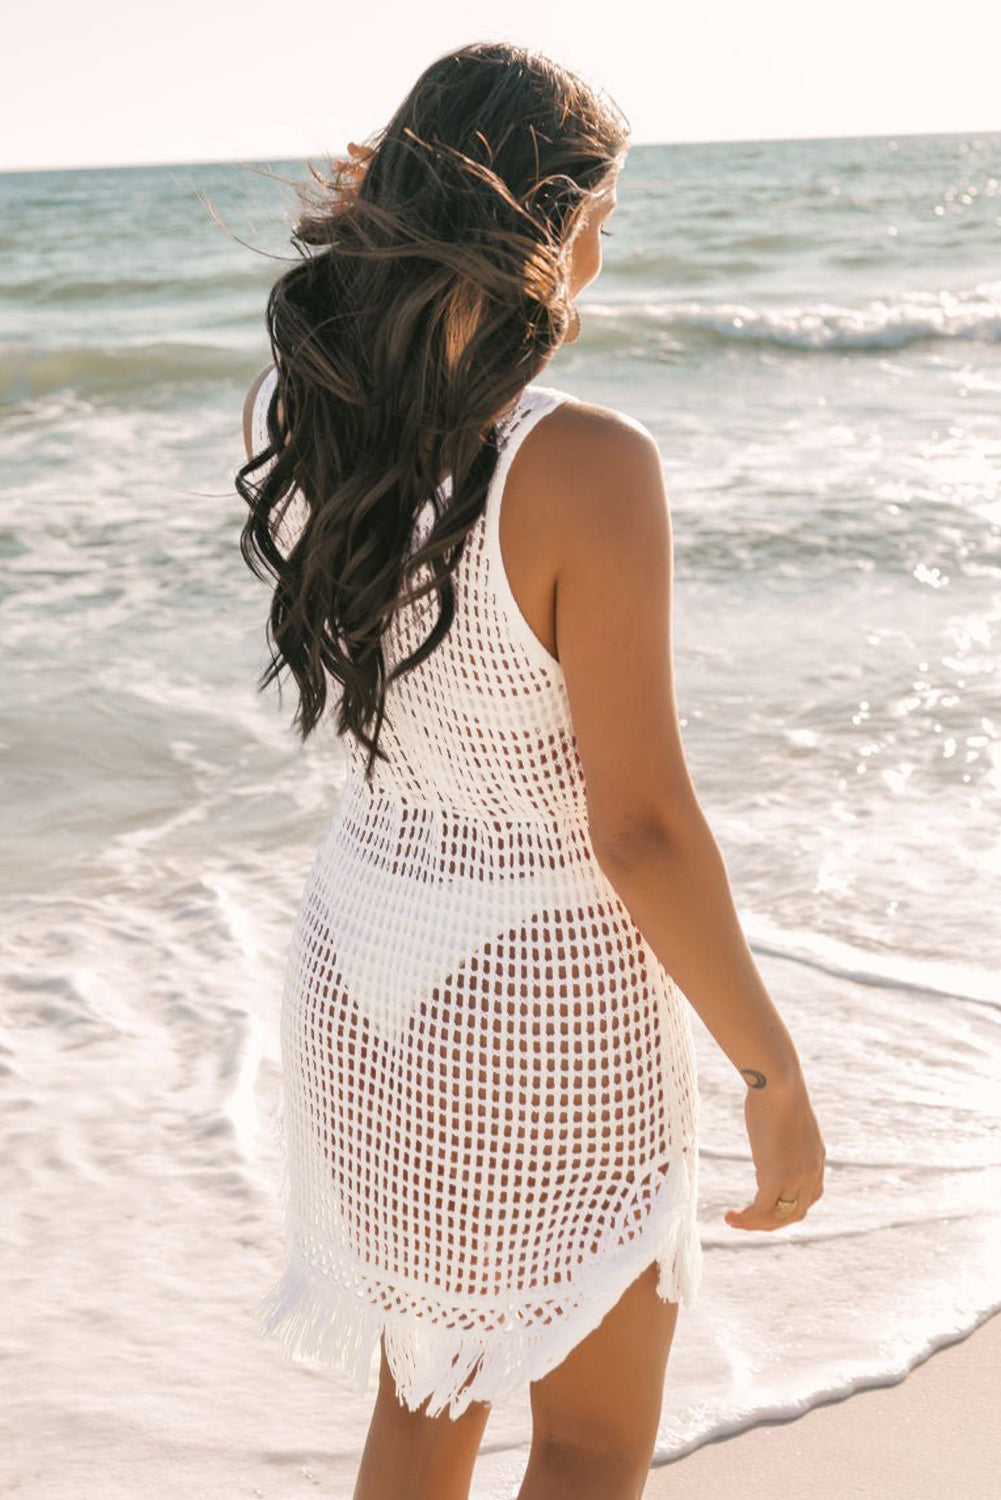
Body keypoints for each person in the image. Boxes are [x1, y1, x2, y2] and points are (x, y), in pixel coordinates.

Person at [237, 39, 825, 1500]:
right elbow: (641, 829)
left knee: (426, 1406)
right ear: (539, 225)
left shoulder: (336, 427)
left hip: (364, 962)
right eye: (598, 218)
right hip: (535, 998)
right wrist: (769, 1069)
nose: (602, 255)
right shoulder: (584, 463)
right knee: (588, 1440)